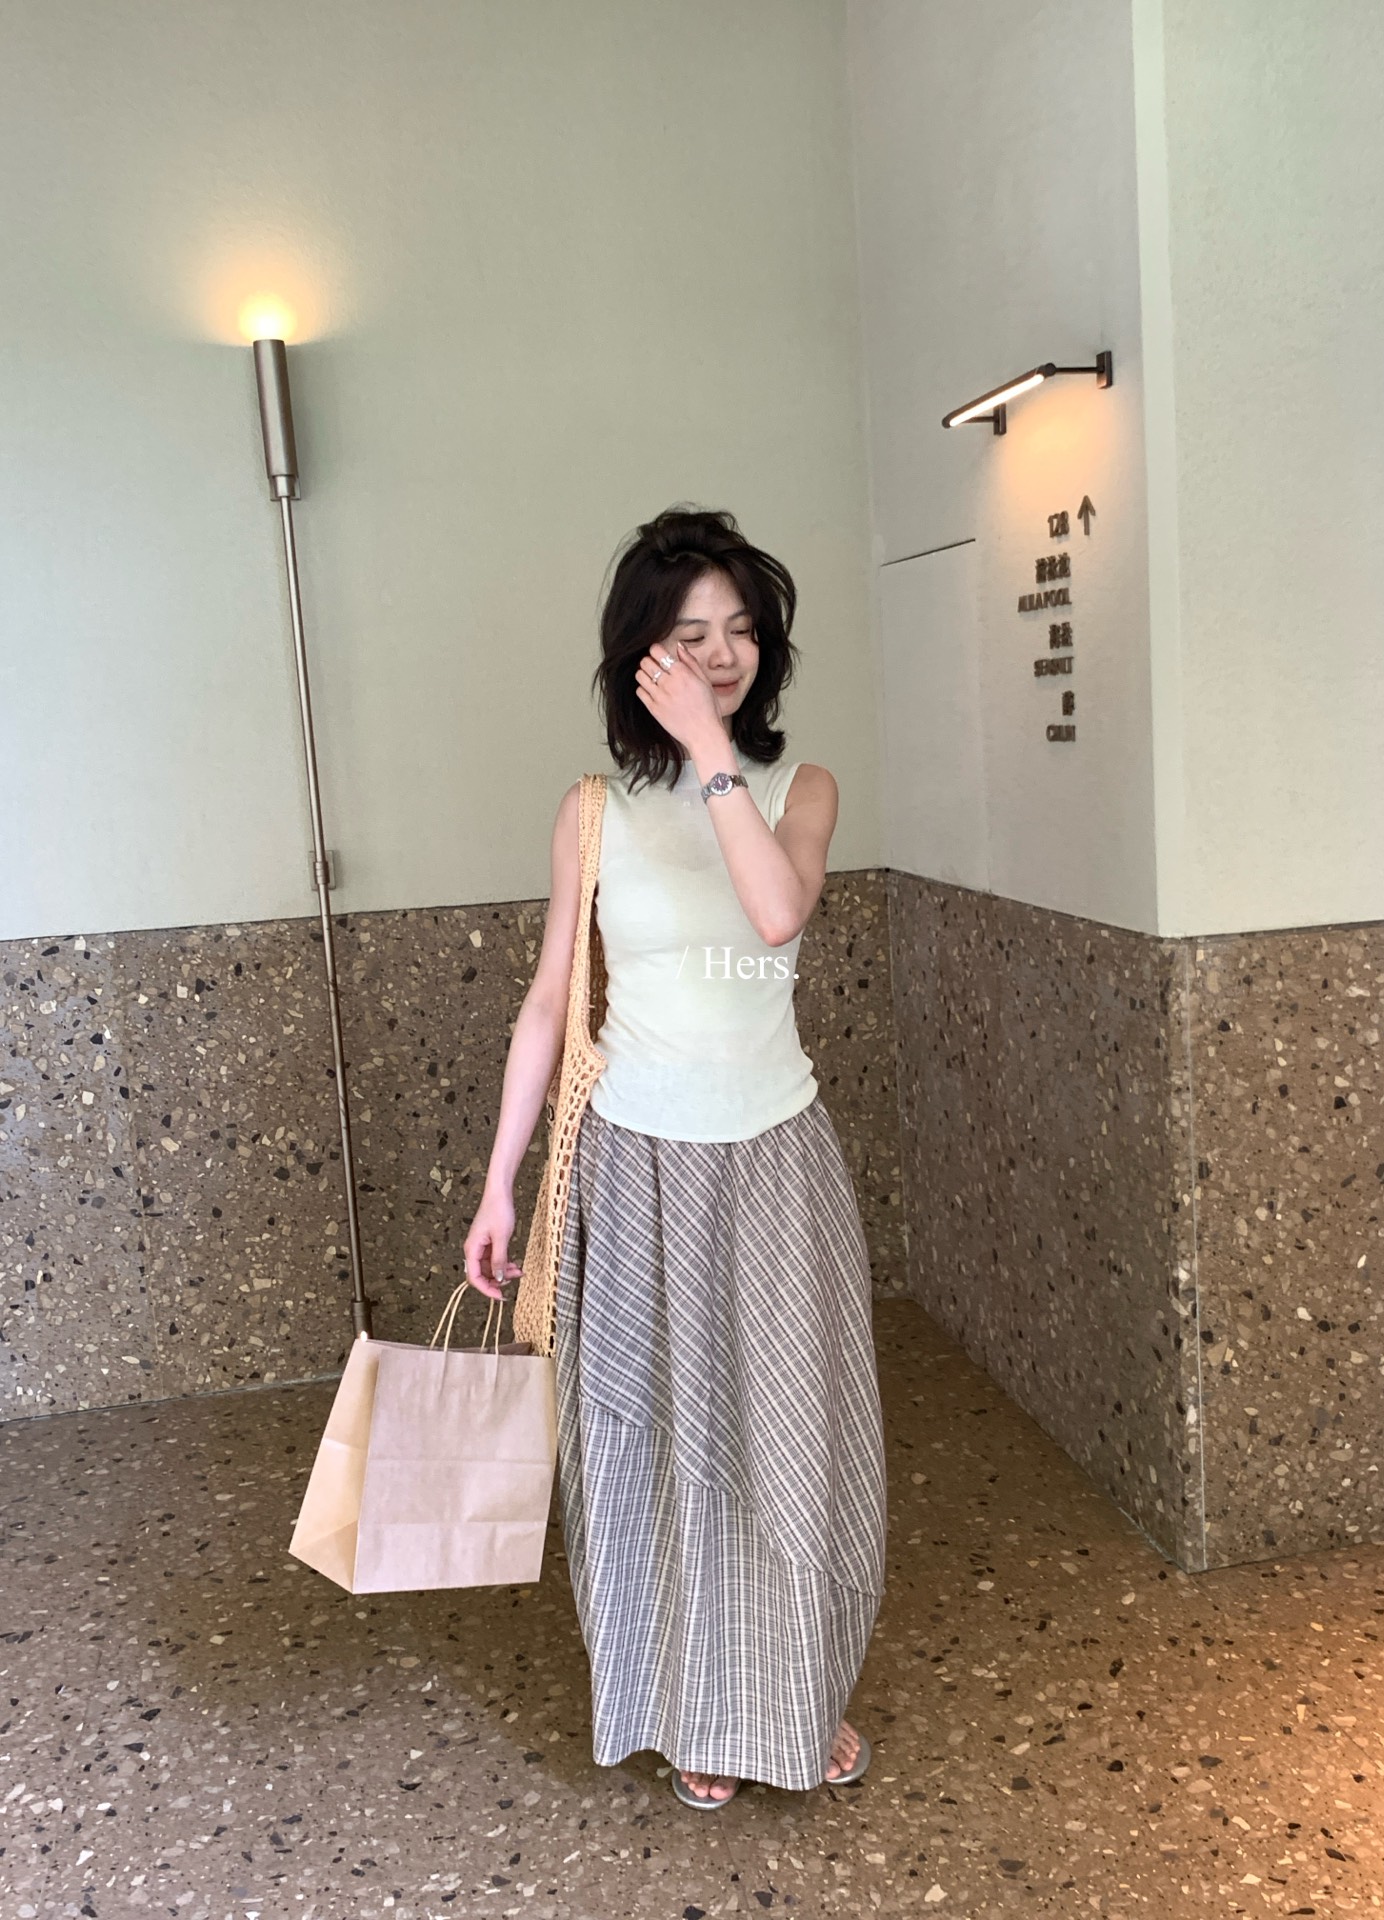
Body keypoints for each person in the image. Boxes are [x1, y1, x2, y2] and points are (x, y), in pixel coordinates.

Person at [464, 505, 888, 1807]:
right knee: (654, 1451)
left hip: (773, 1164)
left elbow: (775, 913)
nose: (721, 655)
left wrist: (712, 752)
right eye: (691, 632)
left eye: (741, 630)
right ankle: (697, 1709)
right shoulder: (591, 812)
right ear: (641, 650)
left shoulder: (800, 789)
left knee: (795, 1446)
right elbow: (549, 1002)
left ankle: (794, 1698)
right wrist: (498, 1182)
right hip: (636, 1169)